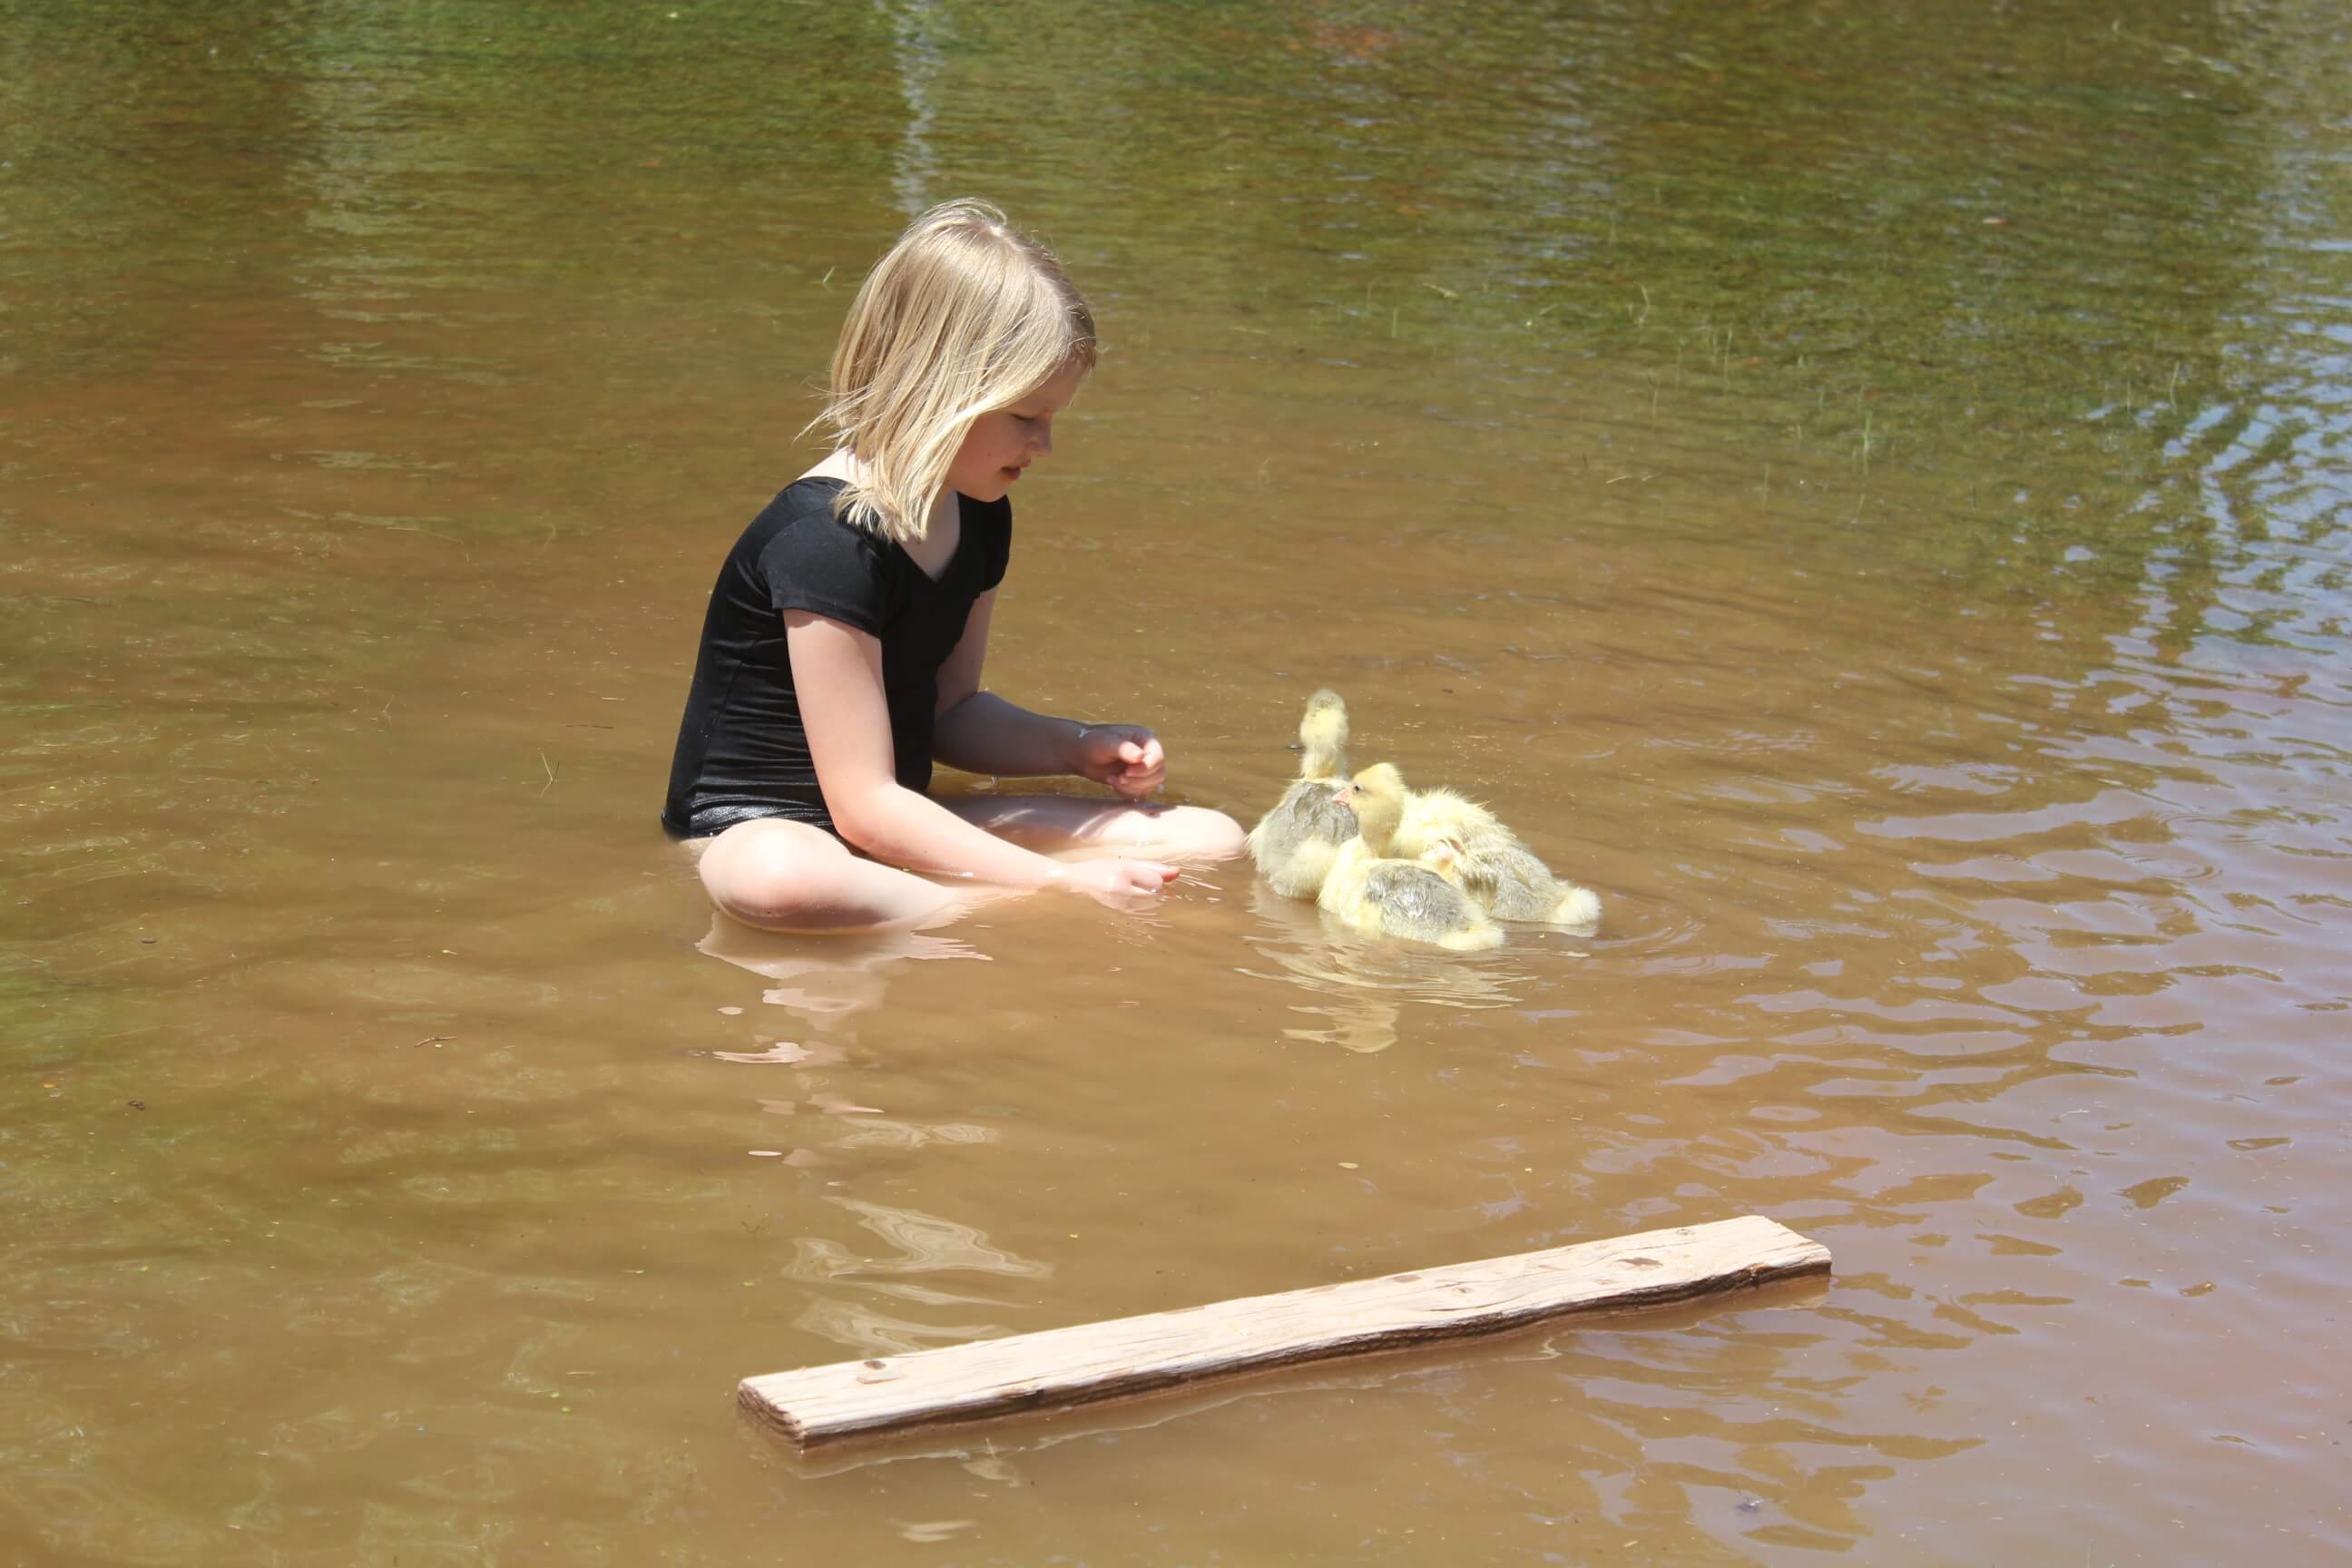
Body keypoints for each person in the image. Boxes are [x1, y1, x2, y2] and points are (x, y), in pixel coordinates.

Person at [662, 199, 1244, 931]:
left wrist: (1078, 745)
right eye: (1027, 417)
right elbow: (861, 801)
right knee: (780, 881)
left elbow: (952, 714)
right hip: (764, 828)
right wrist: (1053, 886)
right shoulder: (826, 539)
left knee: (1211, 838)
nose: (1045, 446)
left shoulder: (979, 513)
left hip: (896, 819)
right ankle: (989, 903)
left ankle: (959, 899)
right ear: (940, 390)